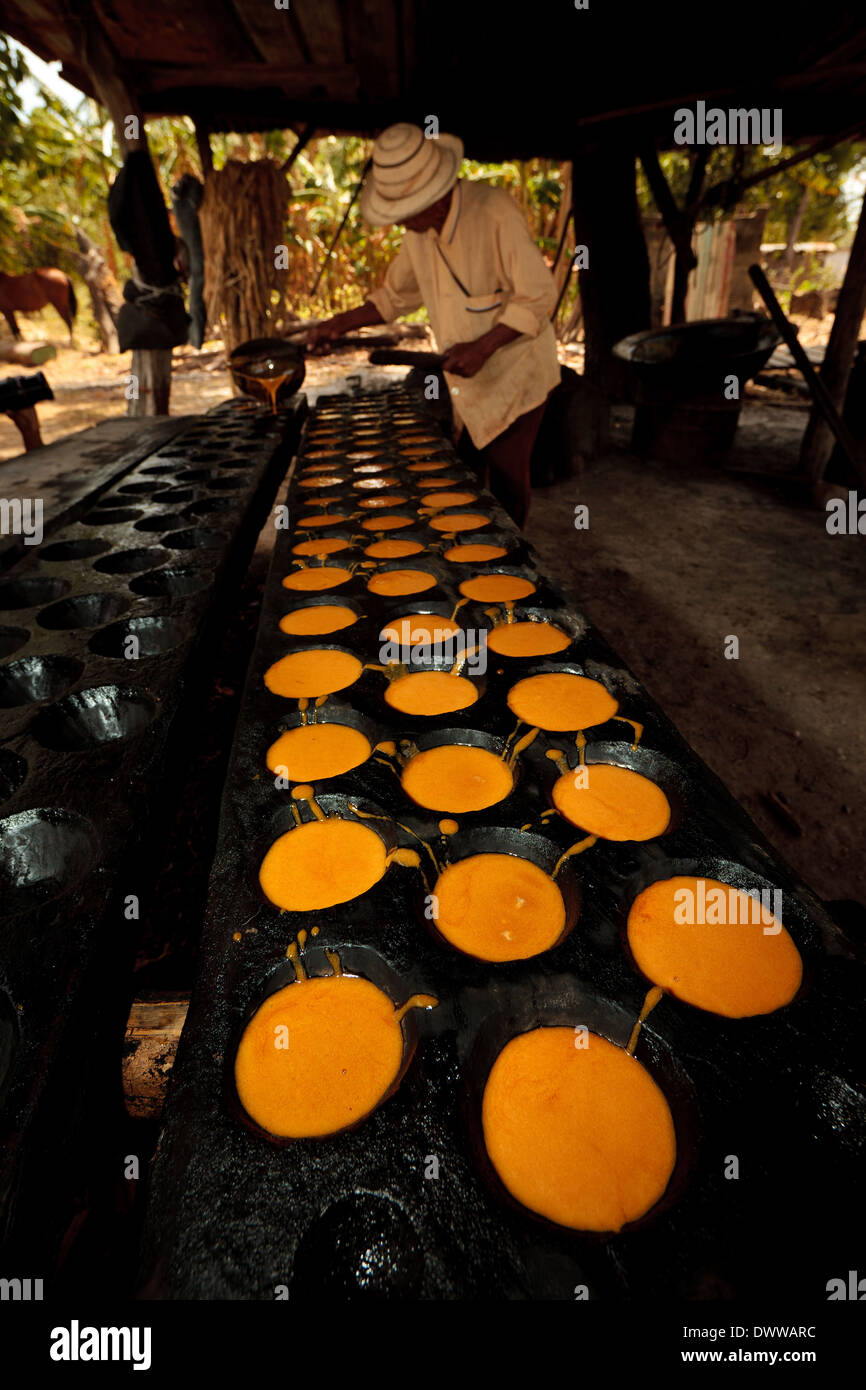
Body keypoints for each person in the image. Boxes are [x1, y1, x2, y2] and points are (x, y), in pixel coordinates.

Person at [305, 123, 560, 526]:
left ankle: (514, 564)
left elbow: (539, 295)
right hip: (467, 375)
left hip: (517, 369)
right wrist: (336, 324)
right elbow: (395, 296)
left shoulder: (493, 212)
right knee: (468, 476)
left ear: (435, 197)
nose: (399, 222)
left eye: (404, 213)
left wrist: (483, 347)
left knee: (508, 476)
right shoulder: (419, 234)